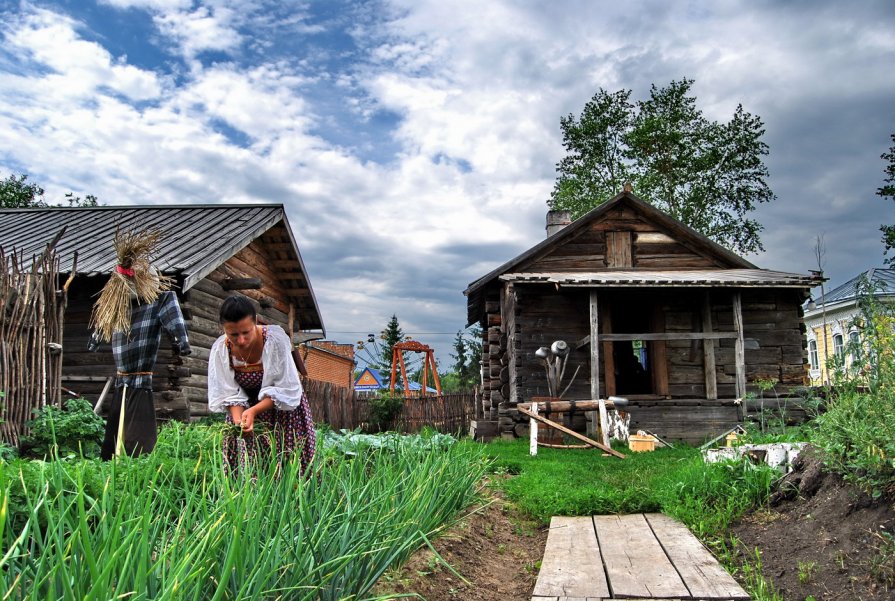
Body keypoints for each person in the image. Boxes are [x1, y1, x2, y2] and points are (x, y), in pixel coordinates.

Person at [208, 295, 315, 475]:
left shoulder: (275, 340)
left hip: (282, 412)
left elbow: (286, 389)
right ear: (223, 328)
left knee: (288, 466)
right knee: (251, 470)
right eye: (233, 334)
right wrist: (239, 421)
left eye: (246, 332)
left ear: (256, 322)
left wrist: (254, 411)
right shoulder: (221, 349)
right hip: (244, 412)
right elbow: (227, 392)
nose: (241, 340)